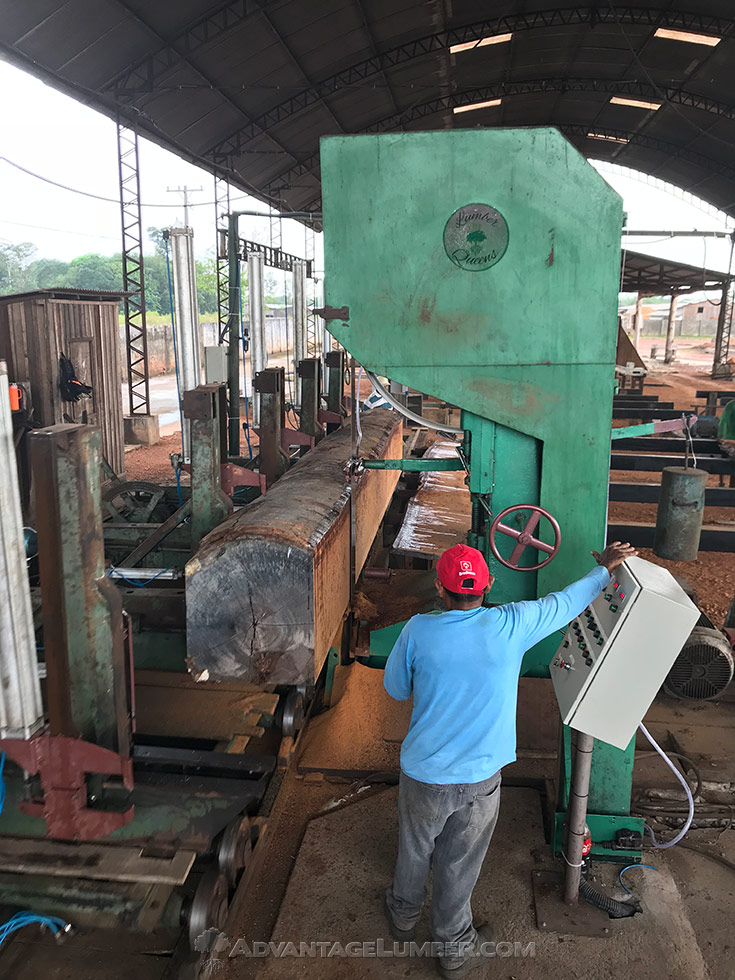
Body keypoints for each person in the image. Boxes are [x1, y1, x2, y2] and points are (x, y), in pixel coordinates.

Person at [383, 539, 638, 977]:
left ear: (440, 591)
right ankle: (454, 948)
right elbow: (563, 603)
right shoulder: (511, 624)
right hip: (480, 780)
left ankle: (403, 914)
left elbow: (396, 690)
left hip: (423, 774)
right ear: (489, 585)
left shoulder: (417, 630)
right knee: (459, 864)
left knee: (414, 846)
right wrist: (604, 572)